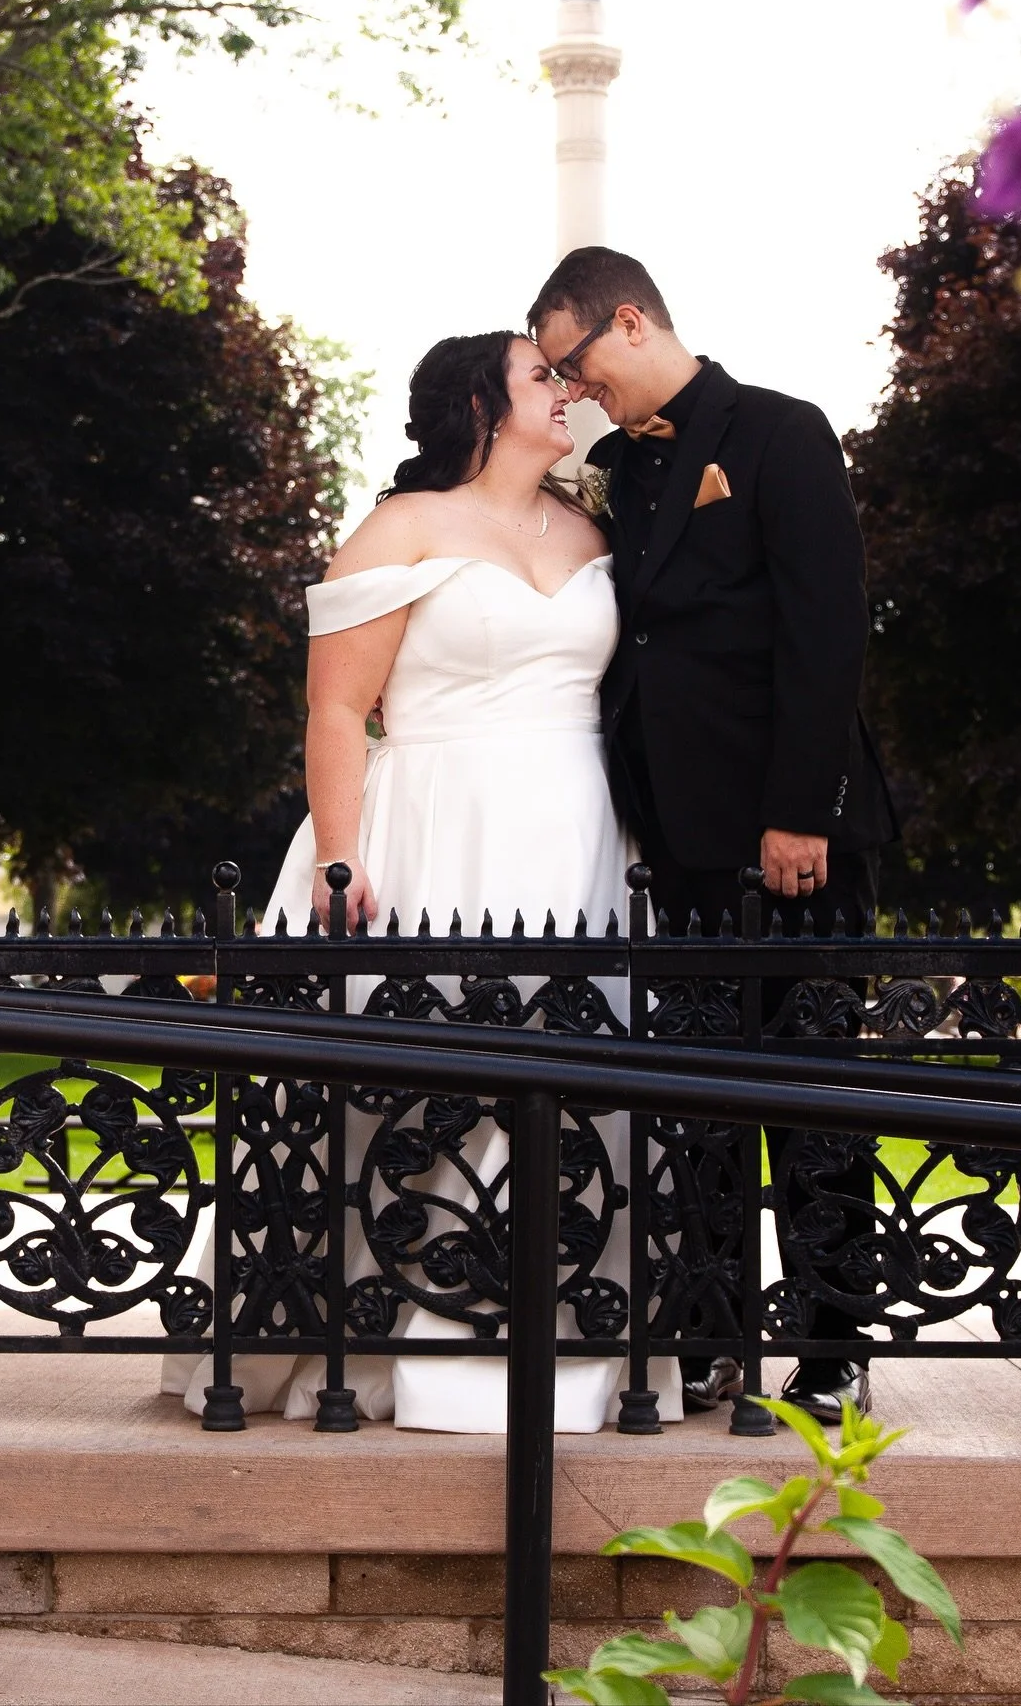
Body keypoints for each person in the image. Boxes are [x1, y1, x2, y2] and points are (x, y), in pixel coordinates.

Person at [163, 329, 682, 1432]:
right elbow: (338, 709)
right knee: (411, 1090)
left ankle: (570, 1343)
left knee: (582, 1084)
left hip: (580, 835)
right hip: (439, 824)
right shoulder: (400, 527)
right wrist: (344, 854)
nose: (568, 387)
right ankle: (386, 1340)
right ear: (480, 405)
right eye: (542, 375)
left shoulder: (594, 524)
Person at [529, 247, 898, 1423]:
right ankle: (715, 1326)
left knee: (814, 1090)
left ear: (629, 322)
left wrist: (801, 809)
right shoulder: (613, 471)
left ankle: (834, 1343)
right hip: (677, 838)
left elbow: (829, 627)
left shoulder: (782, 433)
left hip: (794, 830)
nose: (574, 391)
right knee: (700, 1101)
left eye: (574, 364)